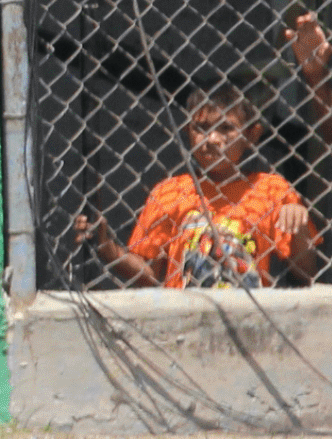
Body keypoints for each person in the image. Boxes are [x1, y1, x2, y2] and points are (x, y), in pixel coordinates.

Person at [73, 83, 321, 290]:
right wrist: (107, 248)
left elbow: (306, 274)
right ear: (187, 132)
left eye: (225, 128)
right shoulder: (169, 192)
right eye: (201, 128)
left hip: (249, 319)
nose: (212, 140)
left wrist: (299, 230)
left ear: (252, 135)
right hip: (184, 316)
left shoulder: (272, 190)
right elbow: (149, 272)